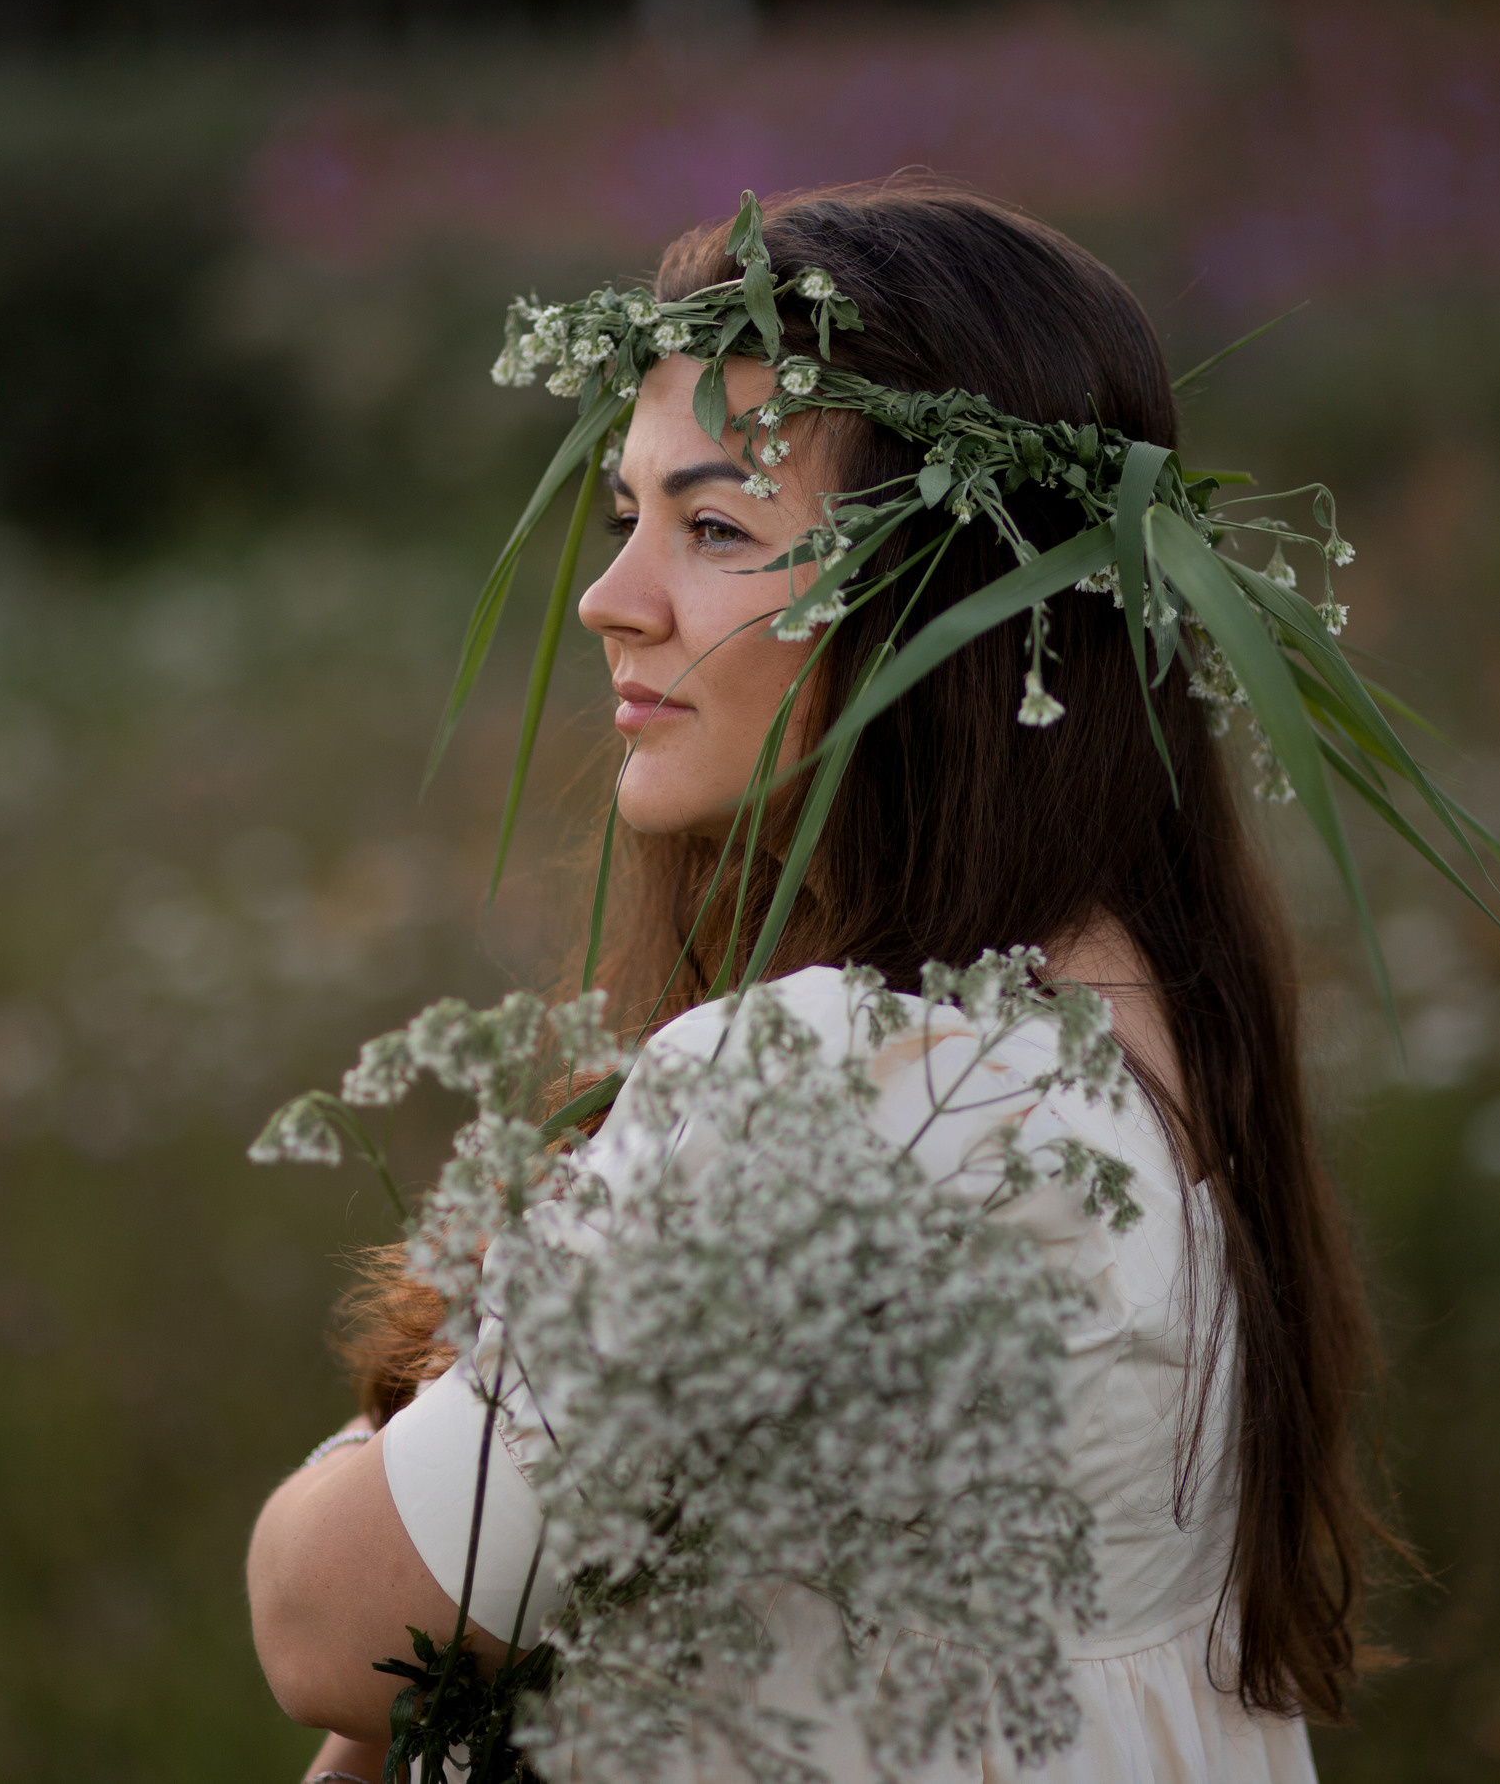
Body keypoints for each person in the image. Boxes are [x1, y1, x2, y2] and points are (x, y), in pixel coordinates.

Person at [247, 180, 1386, 1782]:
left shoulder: (838, 1081)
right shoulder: (1143, 1013)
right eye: (626, 516)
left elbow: (323, 1623)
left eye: (715, 530)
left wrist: (424, 1403)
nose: (609, 599)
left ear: (961, 613)